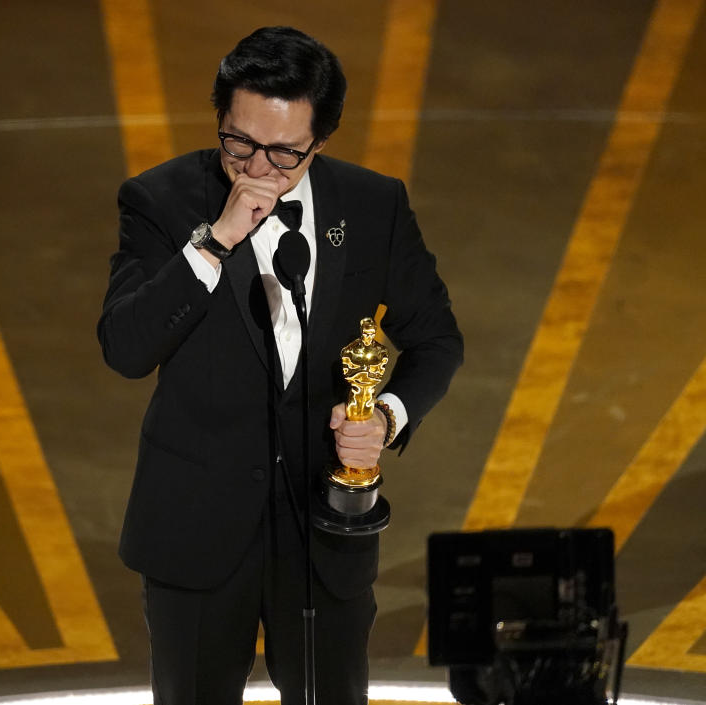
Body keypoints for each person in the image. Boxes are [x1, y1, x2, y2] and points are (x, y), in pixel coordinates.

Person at [97, 26, 463, 705]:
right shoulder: (161, 201)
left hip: (323, 532)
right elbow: (125, 346)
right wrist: (217, 241)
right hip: (195, 533)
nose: (258, 168)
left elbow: (437, 338)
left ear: (320, 142)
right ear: (220, 121)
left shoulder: (372, 206)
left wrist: (385, 416)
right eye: (239, 142)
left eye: (285, 152)